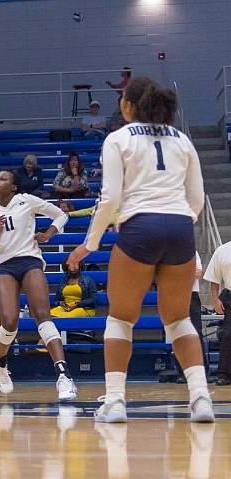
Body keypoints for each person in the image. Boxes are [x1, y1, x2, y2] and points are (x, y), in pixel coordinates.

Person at [67, 76, 212, 422]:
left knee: (120, 319)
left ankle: (115, 402)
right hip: (180, 228)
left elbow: (111, 198)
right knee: (179, 320)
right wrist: (176, 224)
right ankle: (201, 399)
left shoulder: (118, 139)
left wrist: (90, 243)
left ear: (128, 106)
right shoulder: (183, 141)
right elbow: (197, 199)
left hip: (139, 227)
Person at [0, 169, 77, 401]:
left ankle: (63, 376)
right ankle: (0, 364)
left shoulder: (27, 201)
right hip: (5, 266)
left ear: (14, 186)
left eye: (3, 178)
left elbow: (61, 215)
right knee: (10, 322)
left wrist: (48, 234)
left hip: (30, 260)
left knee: (43, 315)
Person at [203, 241, 231, 385]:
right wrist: (215, 299)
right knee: (227, 335)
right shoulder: (223, 250)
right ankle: (224, 374)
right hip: (230, 296)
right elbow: (214, 278)